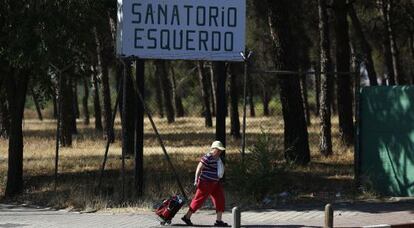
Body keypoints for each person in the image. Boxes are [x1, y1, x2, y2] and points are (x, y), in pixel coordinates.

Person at [181, 141, 228, 227]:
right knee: (198, 200)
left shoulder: (218, 158)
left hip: (215, 183)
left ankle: (219, 221)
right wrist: (196, 179)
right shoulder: (208, 157)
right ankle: (187, 217)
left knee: (220, 199)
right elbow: (199, 167)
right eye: (218, 150)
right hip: (205, 183)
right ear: (213, 149)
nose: (219, 152)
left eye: (220, 150)